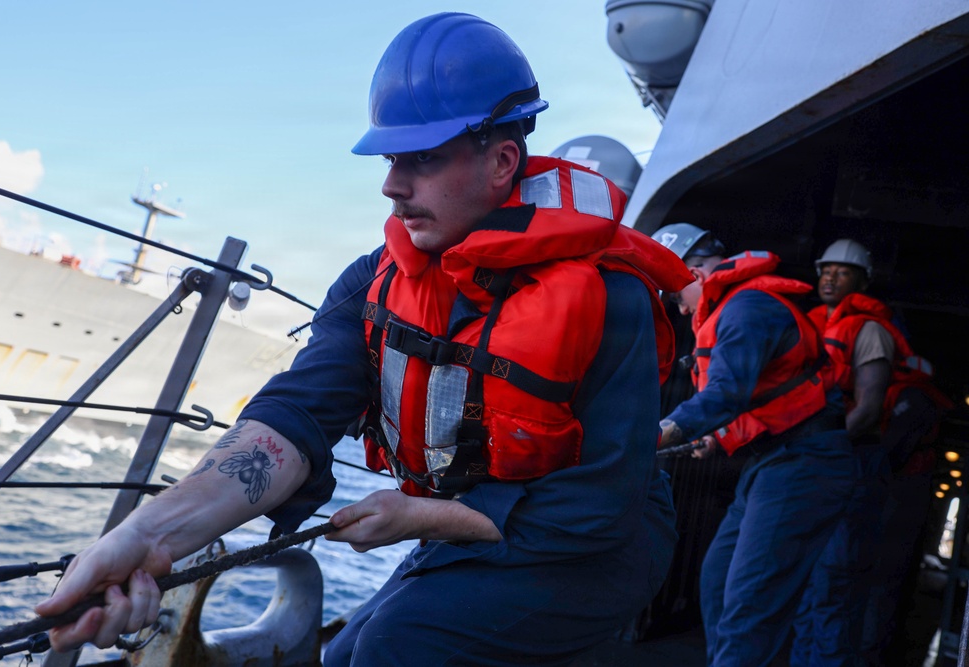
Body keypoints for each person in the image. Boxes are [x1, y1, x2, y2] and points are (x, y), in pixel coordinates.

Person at [35, 13, 694, 666]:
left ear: (502, 161)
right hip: (466, 519)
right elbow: (295, 417)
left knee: (396, 645)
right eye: (390, 158)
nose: (391, 184)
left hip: (600, 547)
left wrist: (421, 517)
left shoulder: (611, 300)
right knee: (347, 653)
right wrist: (147, 537)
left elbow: (602, 505)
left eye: (423, 158)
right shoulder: (372, 282)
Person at [650, 223, 853, 667]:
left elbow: (727, 394)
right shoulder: (736, 308)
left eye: (673, 295)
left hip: (806, 463)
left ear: (695, 275)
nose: (680, 312)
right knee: (719, 582)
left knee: (750, 600)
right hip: (772, 463)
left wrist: (658, 432)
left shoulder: (746, 310)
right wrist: (716, 438)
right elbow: (764, 399)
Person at [807, 239, 950, 666]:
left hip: (858, 471)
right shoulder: (811, 324)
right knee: (815, 581)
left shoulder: (870, 334)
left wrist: (816, 448)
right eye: (826, 269)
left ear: (863, 281)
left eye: (843, 271)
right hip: (822, 466)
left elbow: (870, 414)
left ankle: (860, 656)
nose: (830, 277)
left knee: (841, 580)